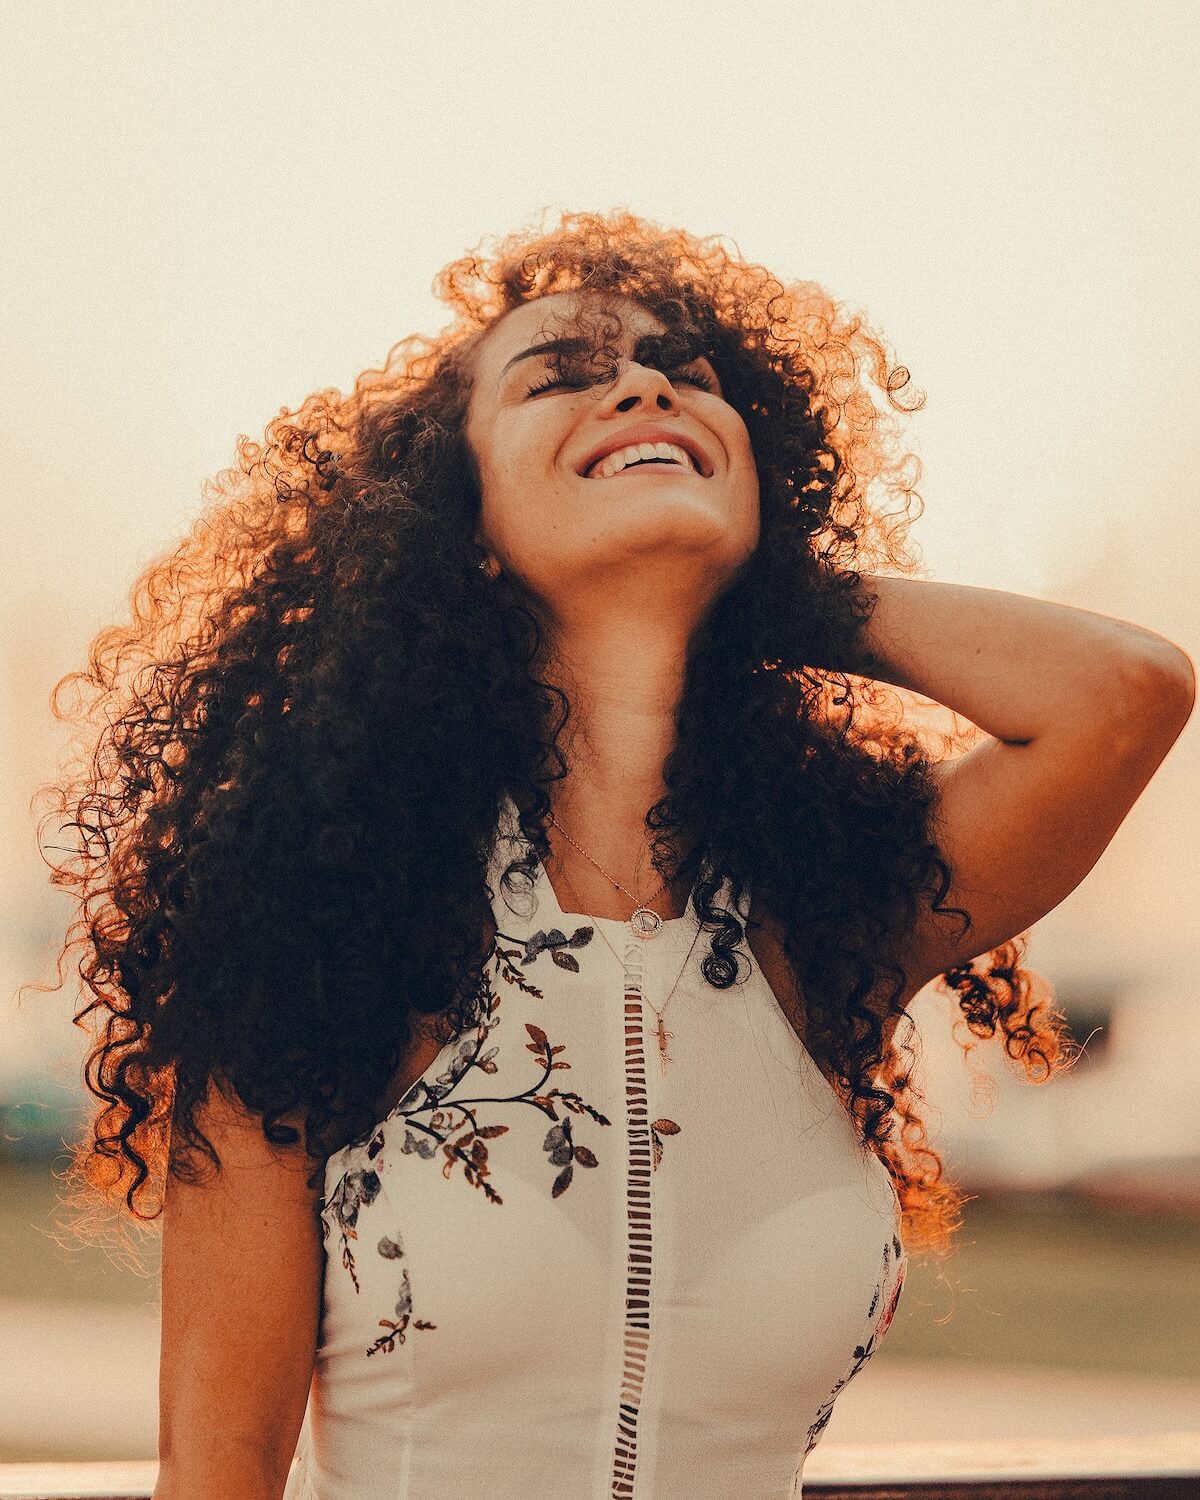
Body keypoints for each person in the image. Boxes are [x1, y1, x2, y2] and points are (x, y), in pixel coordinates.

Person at [40, 210, 1193, 1499]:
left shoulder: (824, 921)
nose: (646, 385)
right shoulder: (319, 930)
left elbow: (1128, 691)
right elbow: (218, 1474)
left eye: (688, 377)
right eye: (559, 378)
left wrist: (768, 584)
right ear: (456, 523)